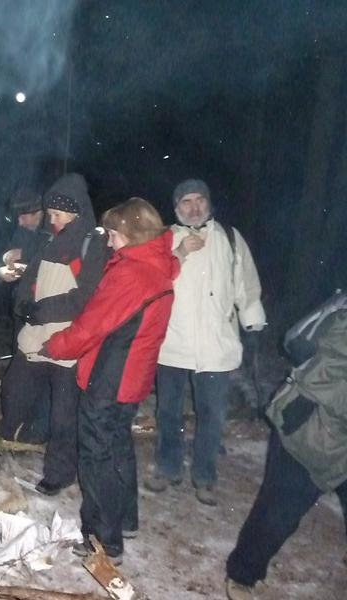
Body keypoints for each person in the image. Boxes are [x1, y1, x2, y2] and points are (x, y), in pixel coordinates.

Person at [43, 197, 179, 564]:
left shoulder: (131, 274)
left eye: (115, 234)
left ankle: (104, 540)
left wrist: (55, 345)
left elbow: (91, 326)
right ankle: (126, 519)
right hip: (133, 377)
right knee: (118, 446)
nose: (109, 240)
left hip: (110, 376)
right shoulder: (159, 267)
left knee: (96, 454)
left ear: (134, 235)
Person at [146, 179, 266, 506]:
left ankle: (205, 476)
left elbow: (246, 283)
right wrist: (180, 253)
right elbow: (151, 279)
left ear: (209, 203)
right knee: (168, 411)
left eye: (200, 200)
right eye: (186, 201)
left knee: (212, 415)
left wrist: (252, 318)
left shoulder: (229, 237)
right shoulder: (164, 238)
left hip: (216, 345)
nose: (194, 207)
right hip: (172, 342)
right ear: (176, 208)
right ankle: (168, 467)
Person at [225, 306, 347, 600]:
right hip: (310, 430)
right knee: (278, 512)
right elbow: (324, 373)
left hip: (334, 433)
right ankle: (242, 574)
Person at [0, 173, 108, 497]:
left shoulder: (92, 245)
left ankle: (59, 473)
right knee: (14, 390)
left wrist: (42, 310)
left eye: (58, 214)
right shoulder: (49, 241)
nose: (52, 220)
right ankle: (15, 434)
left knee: (63, 415)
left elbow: (84, 297)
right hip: (36, 335)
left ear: (75, 212)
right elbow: (30, 279)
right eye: (50, 214)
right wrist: (23, 305)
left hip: (68, 343)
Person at [0, 187, 51, 344]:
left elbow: (53, 253)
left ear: (38, 214)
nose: (20, 222)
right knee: (20, 343)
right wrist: (0, 271)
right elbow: (2, 259)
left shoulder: (53, 230)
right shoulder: (22, 231)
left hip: (45, 303)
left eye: (23, 217)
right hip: (22, 299)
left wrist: (25, 252)